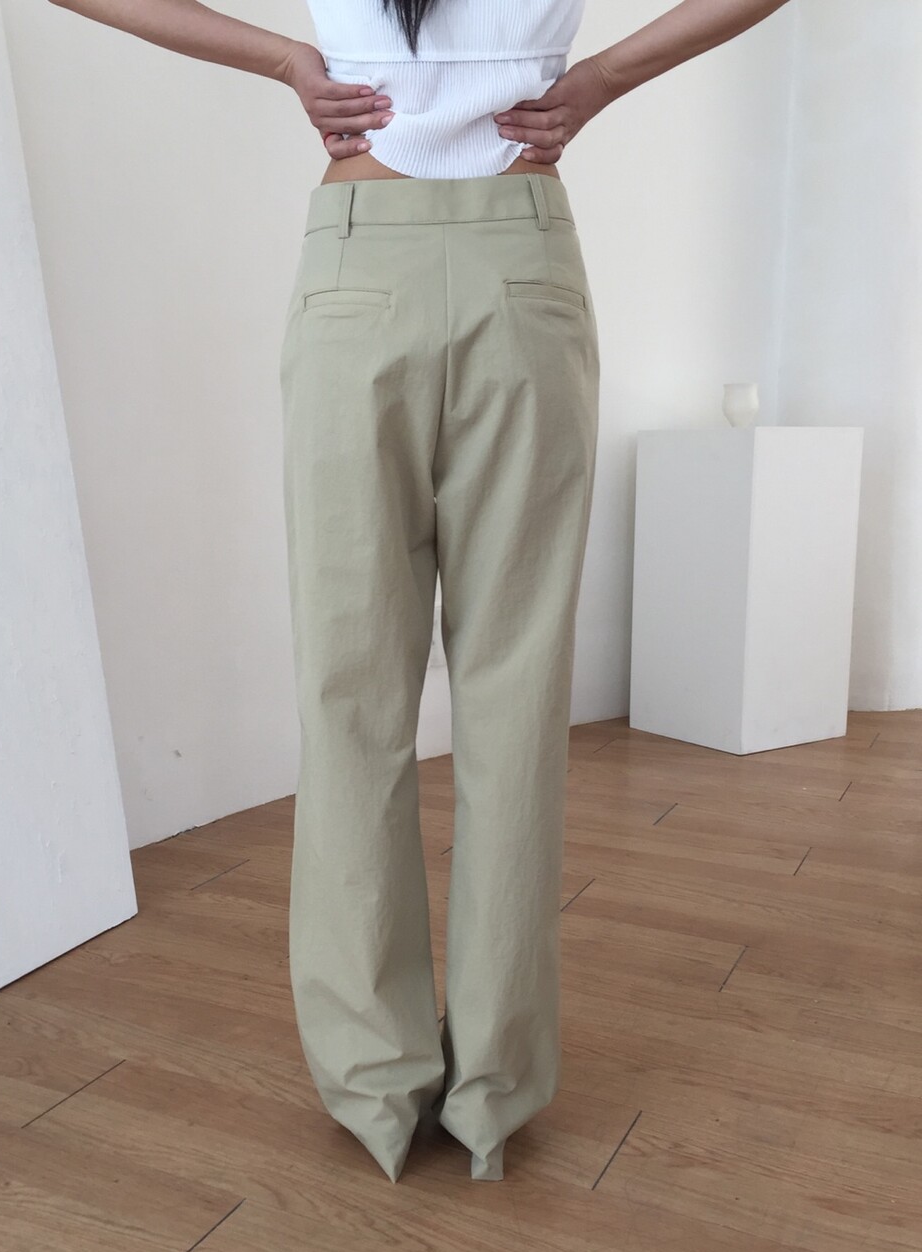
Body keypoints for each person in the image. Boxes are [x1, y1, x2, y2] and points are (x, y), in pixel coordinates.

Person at [46, 0, 791, 1182]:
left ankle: (375, 1083)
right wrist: (597, 78)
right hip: (524, 265)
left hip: (358, 257)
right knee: (513, 698)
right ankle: (493, 1087)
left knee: (350, 699)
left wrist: (289, 61)